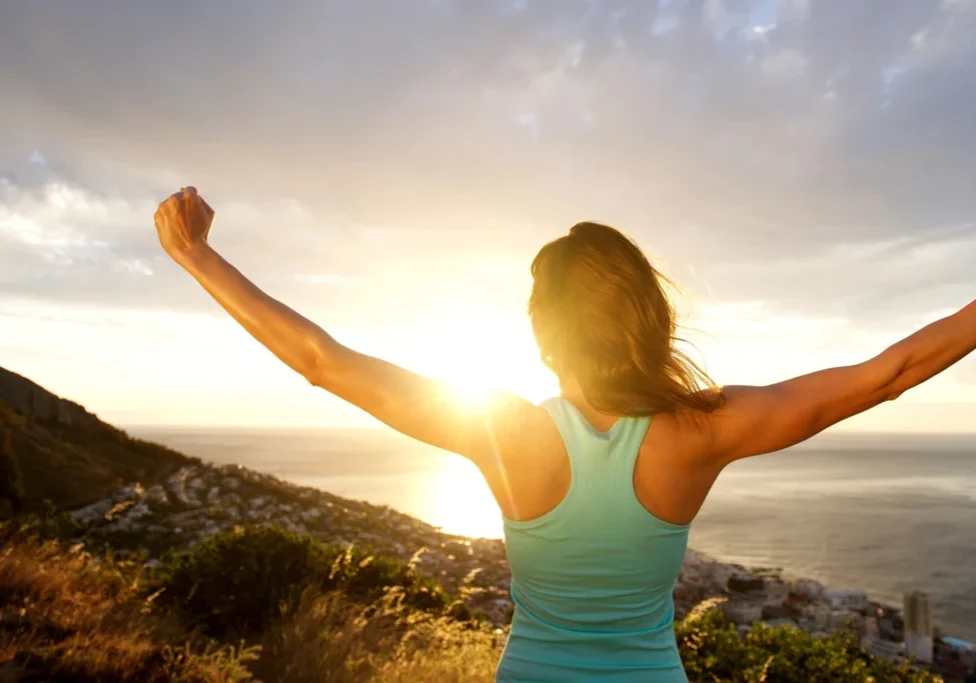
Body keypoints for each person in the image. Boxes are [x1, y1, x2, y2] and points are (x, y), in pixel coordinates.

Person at [155, 187, 976, 682]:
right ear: (649, 318)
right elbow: (889, 372)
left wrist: (198, 256)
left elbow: (323, 362)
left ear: (545, 335)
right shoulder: (701, 430)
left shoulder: (505, 430)